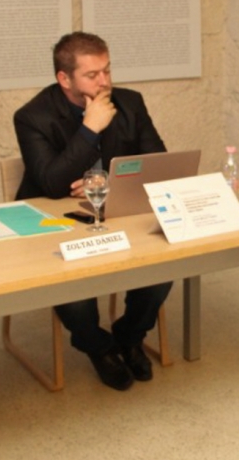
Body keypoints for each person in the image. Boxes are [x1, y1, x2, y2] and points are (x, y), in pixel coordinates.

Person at [13, 31, 171, 391]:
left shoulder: (130, 103)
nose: (104, 82)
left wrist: (105, 182)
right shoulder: (32, 117)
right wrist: (89, 128)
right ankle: (99, 347)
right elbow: (52, 184)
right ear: (64, 78)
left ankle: (130, 335)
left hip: (116, 210)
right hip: (55, 220)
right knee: (75, 288)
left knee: (163, 266)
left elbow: (157, 163)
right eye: (92, 75)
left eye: (107, 70)